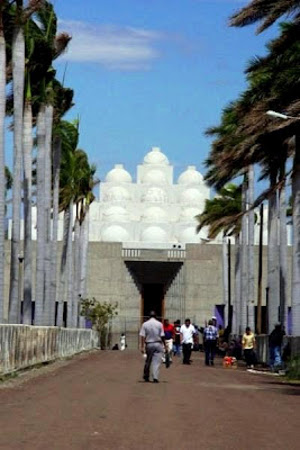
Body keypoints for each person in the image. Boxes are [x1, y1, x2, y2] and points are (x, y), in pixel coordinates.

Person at [139, 311, 166, 383]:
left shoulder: (145, 324)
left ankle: (146, 375)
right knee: (156, 362)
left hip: (149, 344)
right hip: (158, 344)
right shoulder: (160, 324)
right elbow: (162, 335)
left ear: (149, 316)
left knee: (148, 360)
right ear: (156, 316)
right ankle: (155, 377)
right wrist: (165, 345)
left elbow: (142, 336)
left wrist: (142, 346)